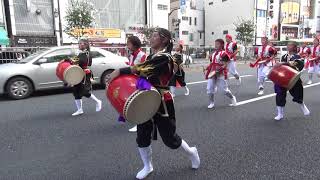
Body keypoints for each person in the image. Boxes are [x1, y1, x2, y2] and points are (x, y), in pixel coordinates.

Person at [106, 28, 200, 179]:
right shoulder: (152, 55)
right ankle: (147, 166)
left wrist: (119, 71)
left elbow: (144, 69)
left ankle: (191, 152)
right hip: (145, 98)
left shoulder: (165, 57)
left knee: (169, 138)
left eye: (155, 35)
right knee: (142, 135)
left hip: (162, 101)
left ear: (163, 40)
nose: (151, 37)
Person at [273, 41, 310, 121]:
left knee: (297, 95)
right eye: (288, 45)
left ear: (294, 47)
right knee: (279, 94)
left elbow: (297, 64)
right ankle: (280, 113)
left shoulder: (298, 56)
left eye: (290, 45)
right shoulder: (283, 56)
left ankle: (302, 106)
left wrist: (283, 63)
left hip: (294, 78)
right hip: (283, 78)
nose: (288, 46)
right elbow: (280, 66)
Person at [71, 39, 102, 116]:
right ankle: (79, 110)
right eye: (79, 43)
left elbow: (87, 62)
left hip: (84, 75)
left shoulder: (87, 53)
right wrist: (70, 61)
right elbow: (74, 61)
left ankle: (98, 101)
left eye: (80, 44)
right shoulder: (80, 53)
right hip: (78, 74)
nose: (79, 45)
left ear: (85, 45)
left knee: (84, 91)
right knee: (76, 91)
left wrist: (75, 61)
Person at [205, 39, 237, 109]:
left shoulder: (224, 53)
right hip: (213, 73)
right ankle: (211, 102)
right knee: (209, 88)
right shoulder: (213, 54)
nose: (216, 45)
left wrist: (219, 70)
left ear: (222, 45)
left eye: (217, 44)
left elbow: (226, 64)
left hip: (221, 73)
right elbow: (211, 63)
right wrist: (207, 68)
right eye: (215, 43)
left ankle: (232, 97)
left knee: (224, 90)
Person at [126, 36, 147, 133]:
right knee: (135, 102)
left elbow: (143, 71)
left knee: (139, 103)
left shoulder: (142, 55)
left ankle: (139, 123)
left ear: (134, 44)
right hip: (133, 81)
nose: (127, 46)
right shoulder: (131, 55)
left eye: (129, 44)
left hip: (142, 81)